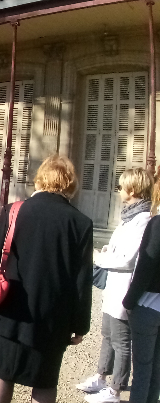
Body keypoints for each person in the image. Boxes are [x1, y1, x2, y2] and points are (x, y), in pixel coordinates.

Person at [0, 155, 93, 403]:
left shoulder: (13, 211)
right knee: (44, 381)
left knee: (1, 374)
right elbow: (82, 282)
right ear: (70, 184)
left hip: (8, 306)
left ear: (41, 179)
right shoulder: (81, 223)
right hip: (51, 316)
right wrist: (80, 325)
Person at [77, 168, 153, 403]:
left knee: (121, 340)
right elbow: (117, 248)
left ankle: (116, 389)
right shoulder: (128, 216)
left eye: (121, 187)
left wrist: (100, 258)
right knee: (107, 334)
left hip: (124, 286)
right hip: (113, 285)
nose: (118, 191)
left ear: (132, 189)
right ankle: (101, 376)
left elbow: (128, 258)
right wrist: (107, 251)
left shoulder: (143, 219)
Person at [122, 174, 160, 403]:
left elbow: (146, 266)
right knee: (156, 370)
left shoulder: (157, 223)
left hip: (149, 304)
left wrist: (129, 301)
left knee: (143, 370)